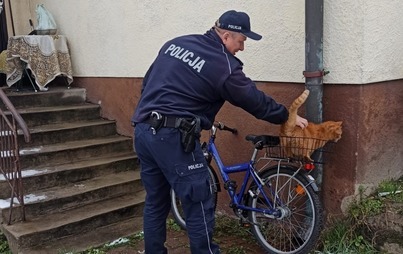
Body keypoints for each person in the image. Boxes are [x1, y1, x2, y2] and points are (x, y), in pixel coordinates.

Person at [131, 10, 308, 254]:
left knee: (156, 201)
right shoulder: (222, 64)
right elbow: (252, 99)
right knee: (199, 201)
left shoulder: (176, 43)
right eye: (241, 41)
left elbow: (148, 82)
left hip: (143, 130)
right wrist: (286, 116)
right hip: (173, 137)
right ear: (226, 36)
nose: (242, 48)